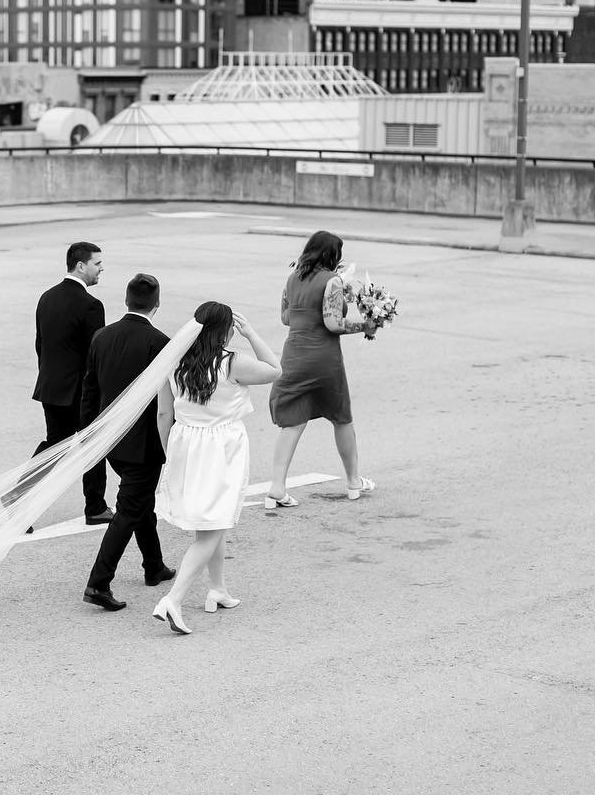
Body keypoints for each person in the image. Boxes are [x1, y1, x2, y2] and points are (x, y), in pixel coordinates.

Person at [152, 302, 281, 635]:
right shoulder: (231, 363)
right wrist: (250, 332)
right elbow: (275, 369)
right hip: (220, 449)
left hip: (185, 443)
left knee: (211, 522)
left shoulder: (175, 361)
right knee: (214, 524)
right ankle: (174, 599)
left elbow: (164, 414)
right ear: (225, 330)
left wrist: (170, 454)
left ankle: (218, 588)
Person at [80, 274, 177, 612]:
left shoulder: (101, 336)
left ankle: (154, 565)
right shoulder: (160, 342)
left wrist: (89, 434)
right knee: (129, 509)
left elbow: (89, 390)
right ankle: (98, 582)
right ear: (157, 303)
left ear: (126, 300)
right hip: (143, 442)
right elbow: (167, 403)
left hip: (109, 439)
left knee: (139, 503)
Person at [263, 231, 377, 510]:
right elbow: (334, 324)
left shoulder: (292, 279)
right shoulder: (333, 282)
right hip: (324, 358)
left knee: (293, 422)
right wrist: (366, 326)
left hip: (294, 355)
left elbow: (286, 317)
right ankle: (352, 481)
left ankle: (277, 487)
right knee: (341, 418)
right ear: (332, 255)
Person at [27, 241, 112, 524]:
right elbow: (95, 354)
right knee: (93, 445)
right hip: (79, 392)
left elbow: (41, 344)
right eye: (97, 264)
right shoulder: (90, 305)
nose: (102, 269)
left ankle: (19, 497)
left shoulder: (46, 297)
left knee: (54, 447)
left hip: (51, 386)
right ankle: (96, 507)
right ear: (81, 266)